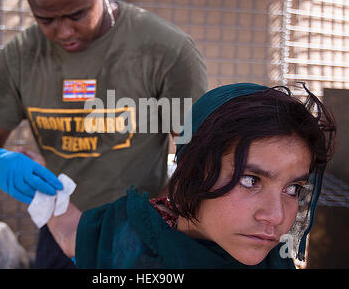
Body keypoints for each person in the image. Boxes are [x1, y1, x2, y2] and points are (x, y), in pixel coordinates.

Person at [0, 0, 208, 268]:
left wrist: (155, 222)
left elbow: (200, 155)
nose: (64, 32)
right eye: (46, 20)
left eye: (76, 15)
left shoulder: (166, 50)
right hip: (59, 227)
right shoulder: (19, 58)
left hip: (140, 231)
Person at [45, 82, 336, 268]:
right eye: (250, 180)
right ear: (193, 170)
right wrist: (39, 183)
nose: (276, 216)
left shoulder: (274, 260)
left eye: (293, 188)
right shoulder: (129, 230)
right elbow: (71, 233)